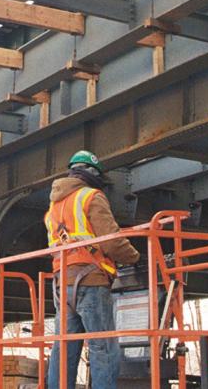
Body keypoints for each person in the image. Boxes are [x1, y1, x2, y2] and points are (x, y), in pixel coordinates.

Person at [45, 150, 140, 389]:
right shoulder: (91, 196)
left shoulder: (55, 205)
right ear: (94, 174)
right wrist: (135, 257)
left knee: (64, 346)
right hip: (90, 281)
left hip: (62, 285)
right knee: (103, 346)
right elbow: (111, 240)